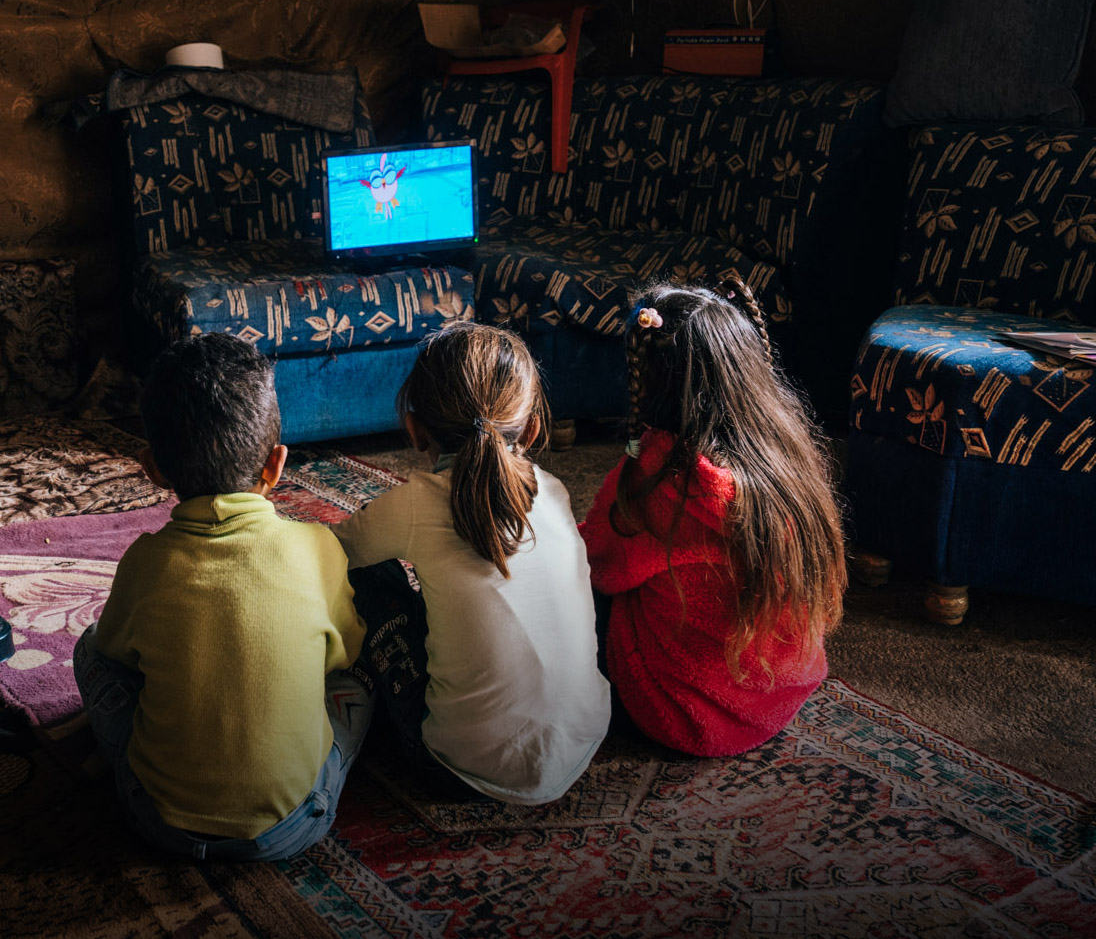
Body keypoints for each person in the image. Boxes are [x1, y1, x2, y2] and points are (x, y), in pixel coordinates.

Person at [73, 333, 370, 861]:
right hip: (294, 826)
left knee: (89, 647)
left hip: (158, 821)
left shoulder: (144, 562)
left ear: (153, 468)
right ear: (276, 465)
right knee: (355, 687)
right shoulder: (317, 546)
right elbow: (343, 654)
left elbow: (116, 653)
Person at [333, 322, 611, 805]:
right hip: (584, 743)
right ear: (532, 426)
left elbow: (330, 550)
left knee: (366, 574)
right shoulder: (555, 490)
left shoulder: (417, 504)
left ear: (415, 430)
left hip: (458, 769)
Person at [580, 280, 846, 757]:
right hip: (780, 696)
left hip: (684, 716)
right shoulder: (790, 452)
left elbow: (596, 565)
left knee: (565, 594)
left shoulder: (658, 485)